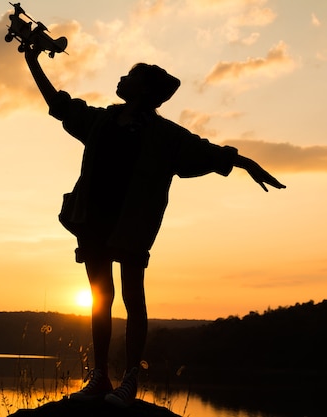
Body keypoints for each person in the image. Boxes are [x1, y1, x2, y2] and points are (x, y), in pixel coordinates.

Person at [22, 46, 286, 408]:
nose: (120, 79)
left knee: (133, 298)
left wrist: (248, 163)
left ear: (142, 90)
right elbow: (58, 104)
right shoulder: (100, 121)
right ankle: (100, 376)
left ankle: (129, 377)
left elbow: (209, 151)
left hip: (133, 225)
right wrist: (32, 61)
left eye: (129, 76)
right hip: (94, 220)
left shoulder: (166, 136)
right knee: (101, 300)